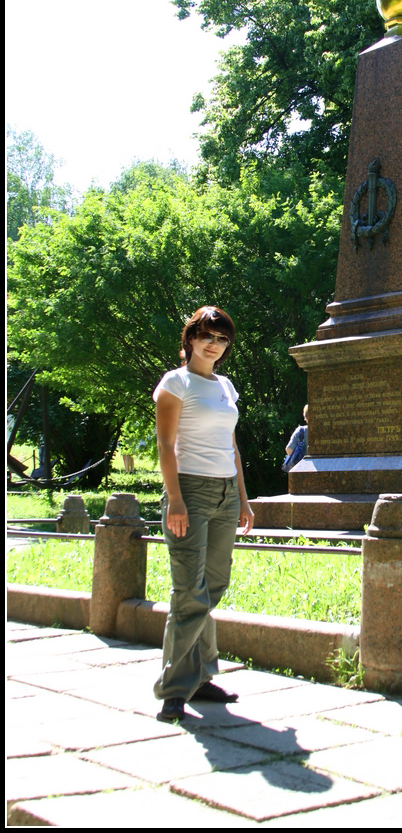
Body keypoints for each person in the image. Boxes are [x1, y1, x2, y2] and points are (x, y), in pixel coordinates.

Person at [152, 305, 254, 723]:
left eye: (222, 339)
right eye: (207, 336)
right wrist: (175, 499)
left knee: (212, 585)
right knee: (189, 592)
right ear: (190, 339)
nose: (214, 345)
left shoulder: (226, 386)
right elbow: (165, 445)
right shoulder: (175, 383)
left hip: (226, 493)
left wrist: (243, 499)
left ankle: (201, 676)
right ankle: (174, 690)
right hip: (190, 492)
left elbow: (232, 446)